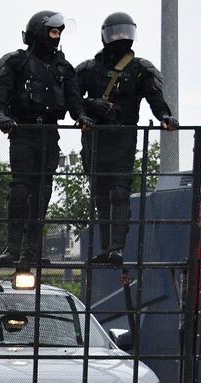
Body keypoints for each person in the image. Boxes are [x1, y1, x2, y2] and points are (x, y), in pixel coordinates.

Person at [0, 10, 90, 267]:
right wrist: (1, 115)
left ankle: (31, 249)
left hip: (49, 133)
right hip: (23, 132)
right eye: (53, 32)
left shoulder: (62, 67)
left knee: (42, 192)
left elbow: (73, 98)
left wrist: (81, 116)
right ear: (39, 32)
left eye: (58, 33)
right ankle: (12, 248)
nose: (56, 37)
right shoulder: (17, 62)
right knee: (21, 189)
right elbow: (1, 93)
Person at [75, 12, 177, 265]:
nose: (121, 37)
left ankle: (117, 249)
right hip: (95, 140)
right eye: (116, 32)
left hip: (123, 138)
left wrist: (165, 116)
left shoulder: (140, 69)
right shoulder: (90, 69)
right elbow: (71, 99)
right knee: (99, 194)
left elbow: (155, 99)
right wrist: (93, 105)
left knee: (119, 193)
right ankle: (105, 247)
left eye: (125, 32)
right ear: (106, 35)